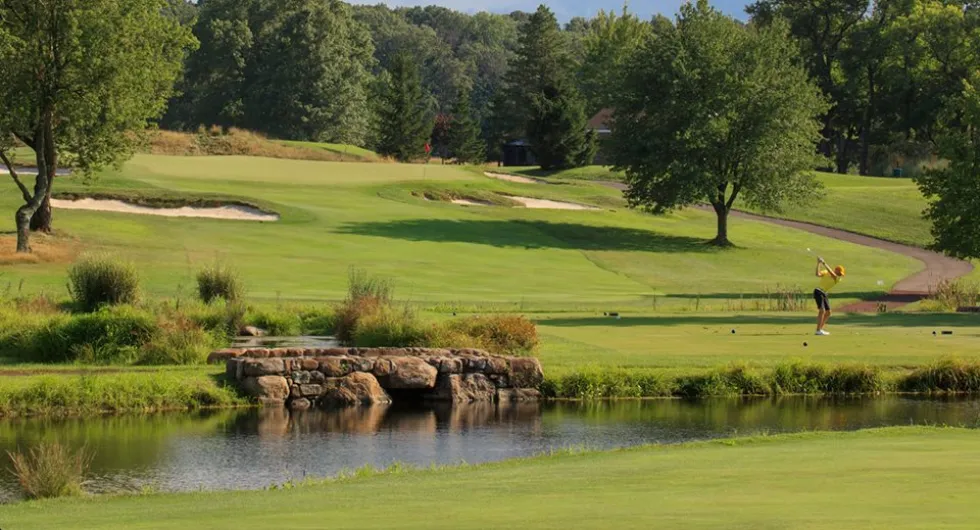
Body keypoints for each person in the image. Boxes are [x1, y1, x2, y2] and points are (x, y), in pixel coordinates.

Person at [813, 257, 845, 336]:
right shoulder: (826, 272)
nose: (840, 275)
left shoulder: (838, 278)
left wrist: (824, 263)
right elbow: (818, 274)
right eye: (839, 273)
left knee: (828, 312)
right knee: (822, 311)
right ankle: (818, 330)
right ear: (836, 270)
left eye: (841, 274)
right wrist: (819, 263)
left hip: (824, 293)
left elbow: (832, 274)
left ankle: (820, 329)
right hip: (818, 291)